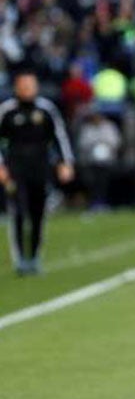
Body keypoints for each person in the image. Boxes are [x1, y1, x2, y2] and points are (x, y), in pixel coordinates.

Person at [0, 70, 75, 276]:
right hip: (15, 169)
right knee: (18, 212)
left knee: (37, 213)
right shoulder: (7, 111)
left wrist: (65, 162)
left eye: (30, 85)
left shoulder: (46, 110)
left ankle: (34, 256)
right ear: (17, 87)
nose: (27, 89)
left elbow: (60, 137)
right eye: (23, 85)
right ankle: (21, 260)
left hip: (40, 168)